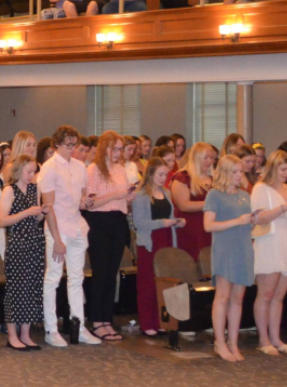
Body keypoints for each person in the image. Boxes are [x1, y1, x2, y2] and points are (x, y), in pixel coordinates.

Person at [38, 125, 98, 346]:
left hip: (77, 227)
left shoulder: (80, 167)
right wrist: (57, 239)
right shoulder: (49, 167)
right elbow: (49, 206)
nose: (72, 150)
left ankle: (79, 327)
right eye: (68, 146)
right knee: (53, 278)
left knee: (77, 278)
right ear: (56, 145)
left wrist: (86, 202)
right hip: (57, 228)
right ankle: (51, 329)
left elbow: (79, 200)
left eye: (75, 146)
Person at [251, 151, 287, 354]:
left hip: (286, 242)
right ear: (273, 168)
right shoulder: (261, 188)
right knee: (266, 294)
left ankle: (276, 338)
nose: (286, 173)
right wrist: (284, 208)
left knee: (279, 296)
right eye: (282, 169)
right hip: (268, 243)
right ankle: (263, 339)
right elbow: (258, 218)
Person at [84, 131, 136, 342]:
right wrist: (117, 194)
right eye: (115, 148)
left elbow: (124, 202)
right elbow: (91, 203)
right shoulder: (93, 170)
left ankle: (107, 320)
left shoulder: (122, 170)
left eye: (120, 149)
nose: (118, 153)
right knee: (100, 272)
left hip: (118, 221)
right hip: (99, 223)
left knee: (112, 273)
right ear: (105, 147)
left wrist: (129, 198)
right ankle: (96, 320)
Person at [203, 155, 256, 362]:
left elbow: (247, 223)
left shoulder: (244, 195)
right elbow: (209, 226)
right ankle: (220, 342)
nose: (238, 175)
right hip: (225, 249)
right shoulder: (214, 195)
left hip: (243, 248)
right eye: (234, 171)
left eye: (240, 171)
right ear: (224, 173)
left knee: (238, 298)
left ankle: (233, 342)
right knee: (223, 297)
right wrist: (238, 221)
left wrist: (252, 221)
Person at [0, 154, 48, 350]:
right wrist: (26, 213)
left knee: (32, 288)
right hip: (18, 244)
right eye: (28, 172)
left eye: (33, 172)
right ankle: (12, 335)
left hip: (34, 243)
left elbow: (34, 221)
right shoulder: (9, 190)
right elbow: (2, 220)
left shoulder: (34, 189)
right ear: (18, 171)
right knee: (16, 289)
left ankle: (25, 334)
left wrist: (42, 212)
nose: (31, 176)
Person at [132, 156, 184, 337]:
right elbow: (139, 223)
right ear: (150, 174)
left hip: (166, 239)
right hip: (149, 242)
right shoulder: (141, 196)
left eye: (165, 175)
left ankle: (162, 321)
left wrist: (177, 222)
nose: (163, 178)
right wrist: (163, 223)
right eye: (160, 174)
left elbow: (168, 218)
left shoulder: (167, 194)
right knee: (147, 283)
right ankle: (147, 322)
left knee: (164, 282)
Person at [170, 141, 215, 260]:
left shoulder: (213, 179)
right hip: (191, 228)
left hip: (210, 227)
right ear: (196, 158)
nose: (209, 161)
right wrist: (210, 204)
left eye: (211, 158)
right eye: (205, 157)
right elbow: (183, 205)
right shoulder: (183, 177)